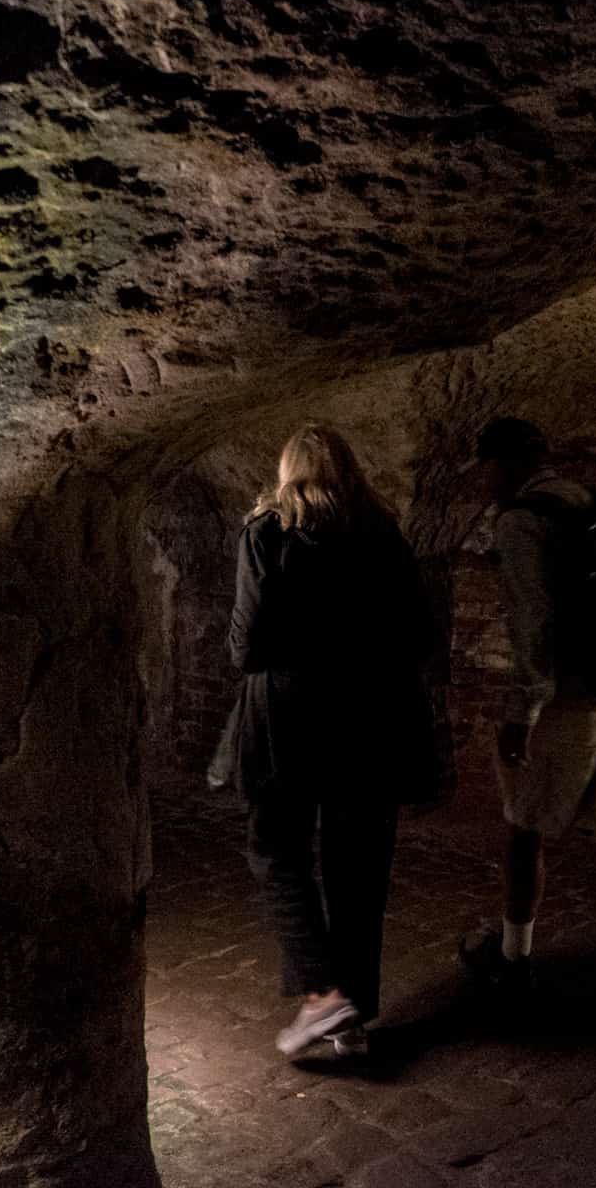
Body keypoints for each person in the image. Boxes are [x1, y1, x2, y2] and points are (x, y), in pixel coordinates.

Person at [459, 417, 596, 1027]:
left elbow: (536, 626)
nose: (483, 482)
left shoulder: (523, 520)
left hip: (572, 701)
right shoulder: (590, 502)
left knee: (524, 830)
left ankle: (512, 958)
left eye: (485, 469)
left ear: (503, 464)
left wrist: (519, 715)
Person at [227, 422, 436, 1058]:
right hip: (371, 720)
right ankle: (355, 1015)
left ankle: (321, 995)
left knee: (276, 848)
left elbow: (247, 644)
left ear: (288, 471)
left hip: (288, 718)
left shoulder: (266, 533)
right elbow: (420, 634)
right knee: (359, 868)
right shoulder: (383, 535)